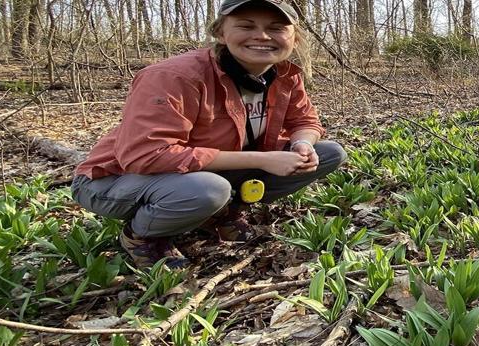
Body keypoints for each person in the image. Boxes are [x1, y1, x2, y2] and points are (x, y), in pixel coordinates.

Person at [71, 0, 344, 268]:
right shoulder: (175, 76)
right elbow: (146, 156)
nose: (262, 36)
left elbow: (305, 120)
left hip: (194, 172)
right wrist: (261, 160)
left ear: (293, 38)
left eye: (276, 28)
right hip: (113, 180)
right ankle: (142, 235)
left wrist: (302, 144)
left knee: (328, 153)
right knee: (210, 190)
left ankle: (222, 215)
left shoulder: (283, 75)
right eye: (246, 26)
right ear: (220, 33)